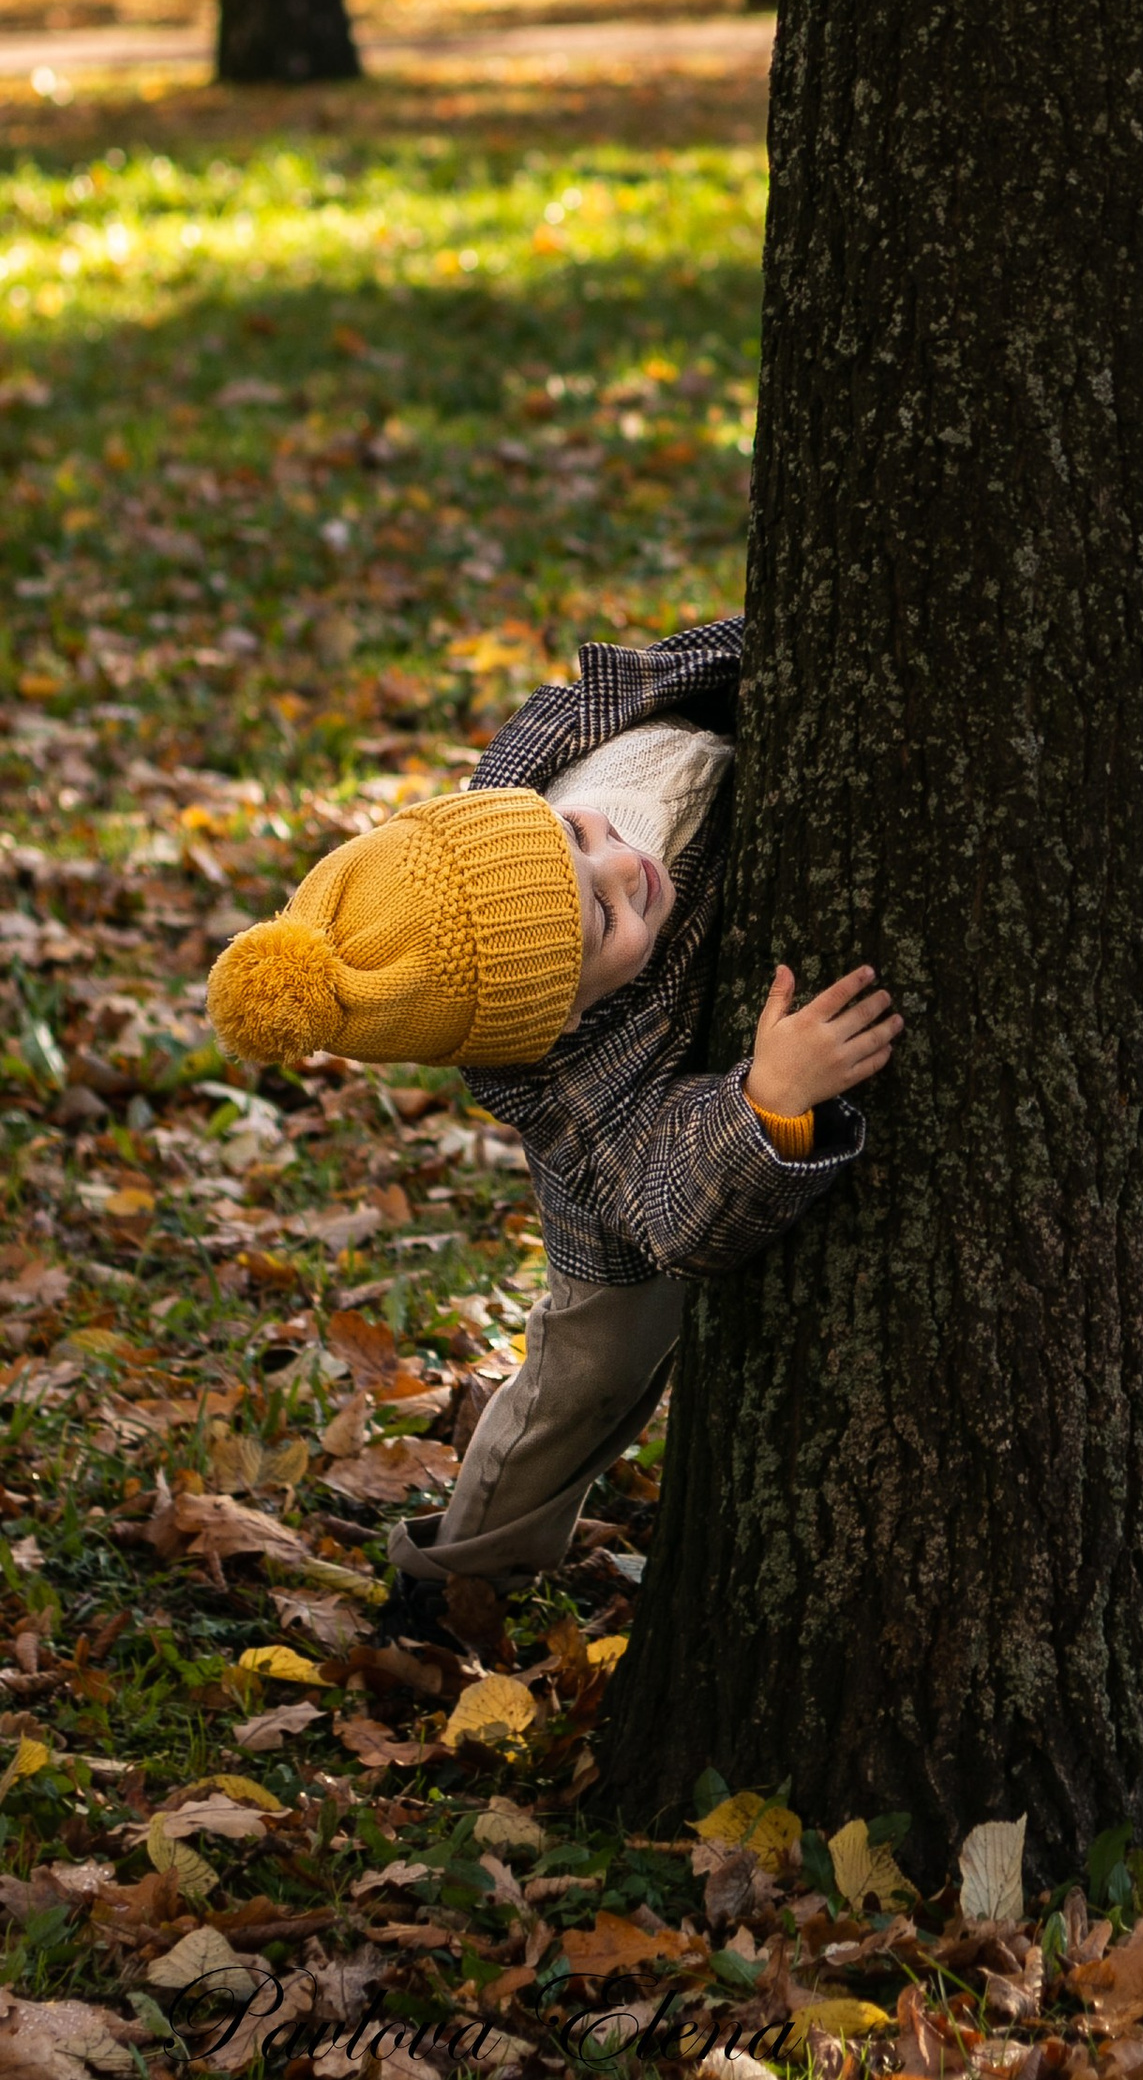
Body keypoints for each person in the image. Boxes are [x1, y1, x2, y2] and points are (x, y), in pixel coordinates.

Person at [203, 617, 900, 1634]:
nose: (623, 868)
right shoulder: (572, 1069)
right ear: (565, 1014)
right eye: (605, 923)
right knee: (590, 1372)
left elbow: (667, 670)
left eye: (578, 839)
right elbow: (668, 1197)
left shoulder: (560, 770)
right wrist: (766, 1103)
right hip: (625, 1179)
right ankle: (460, 1572)